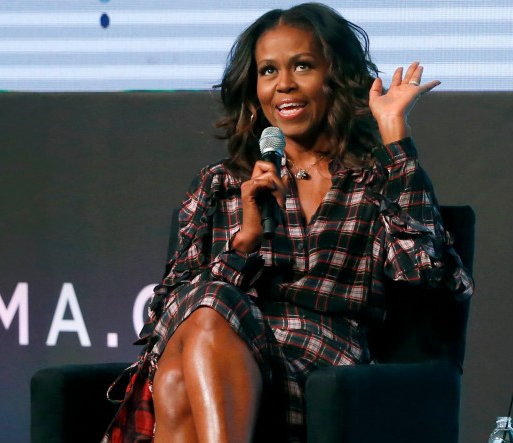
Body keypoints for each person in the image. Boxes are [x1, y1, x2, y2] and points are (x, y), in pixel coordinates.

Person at [103, 3, 474, 443]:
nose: (284, 86)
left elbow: (422, 271)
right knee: (200, 324)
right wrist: (244, 244)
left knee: (180, 373)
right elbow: (167, 316)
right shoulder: (222, 183)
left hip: (323, 372)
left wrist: (394, 133)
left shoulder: (374, 180)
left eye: (302, 66)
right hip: (224, 359)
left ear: (335, 77)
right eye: (268, 71)